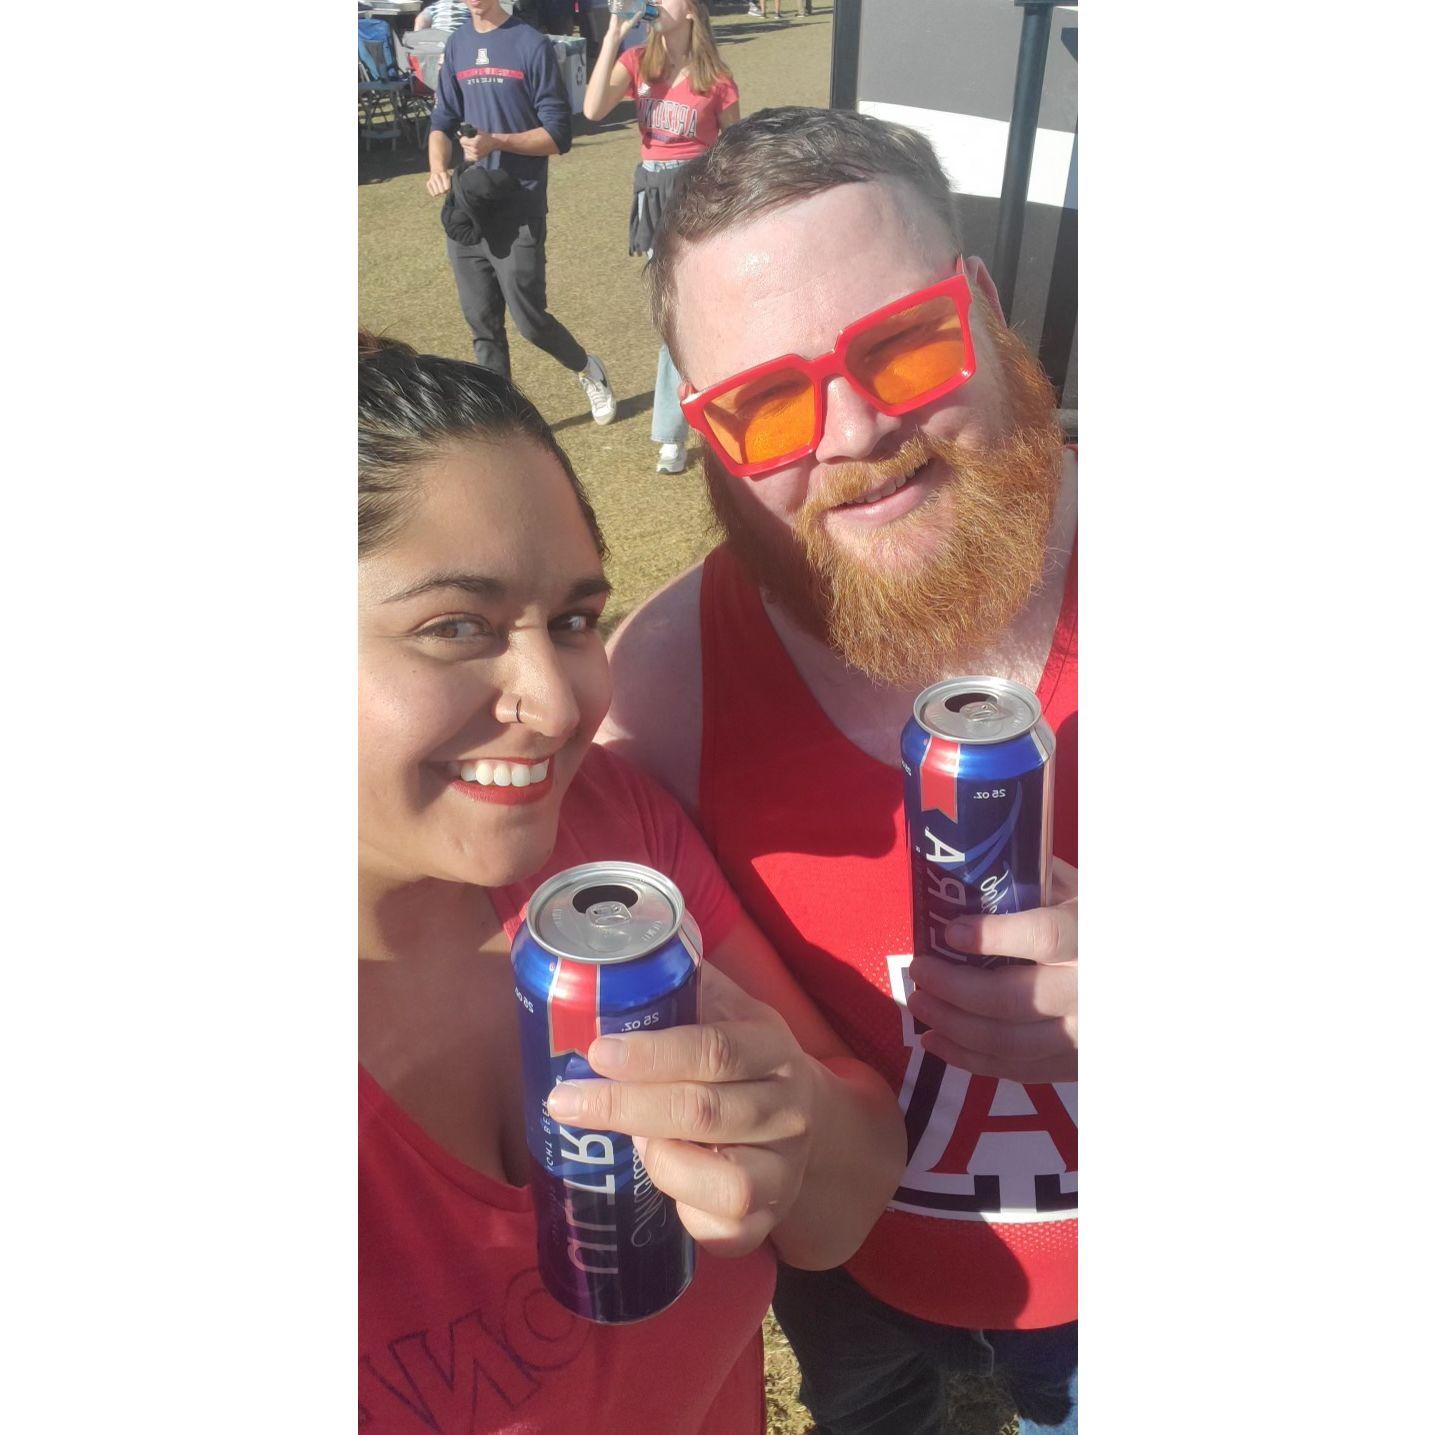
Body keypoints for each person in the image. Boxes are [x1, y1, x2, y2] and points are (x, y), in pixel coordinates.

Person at [600, 107, 1078, 1435]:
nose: (856, 429)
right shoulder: (656, 688)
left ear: (982, 308)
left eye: (906, 342)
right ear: (709, 435)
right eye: (766, 403)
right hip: (849, 1288)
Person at [357, 330, 907, 1433]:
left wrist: (791, 1117)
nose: (559, 703)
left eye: (572, 619)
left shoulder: (608, 836)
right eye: (455, 626)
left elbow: (844, 1208)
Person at [426, 0, 617, 423]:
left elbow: (558, 135)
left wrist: (497, 141)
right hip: (468, 208)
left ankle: (588, 368)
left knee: (531, 322)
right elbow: (441, 121)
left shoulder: (531, 45)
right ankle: (504, 421)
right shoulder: (457, 45)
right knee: (483, 325)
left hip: (519, 209)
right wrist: (438, 167)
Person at [583, 0, 738, 475]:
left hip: (696, 197)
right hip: (653, 197)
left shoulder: (717, 78)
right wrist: (612, 36)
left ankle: (692, 423)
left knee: (696, 313)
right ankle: (674, 432)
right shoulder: (637, 62)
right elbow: (592, 109)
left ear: (690, 10)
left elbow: (734, 150)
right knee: (673, 317)